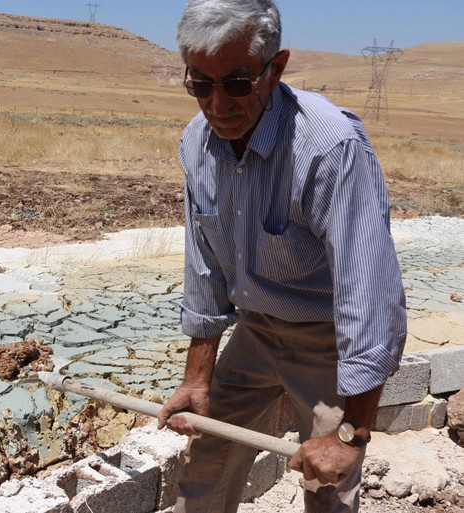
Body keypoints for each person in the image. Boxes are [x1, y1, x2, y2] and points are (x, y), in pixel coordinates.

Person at [155, 1, 407, 512]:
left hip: (325, 340)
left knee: (327, 485)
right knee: (206, 465)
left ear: (276, 68)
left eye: (237, 84)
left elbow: (368, 295)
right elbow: (203, 266)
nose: (217, 104)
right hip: (255, 331)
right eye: (201, 84)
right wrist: (196, 379)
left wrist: (351, 438)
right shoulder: (196, 143)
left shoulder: (328, 147)